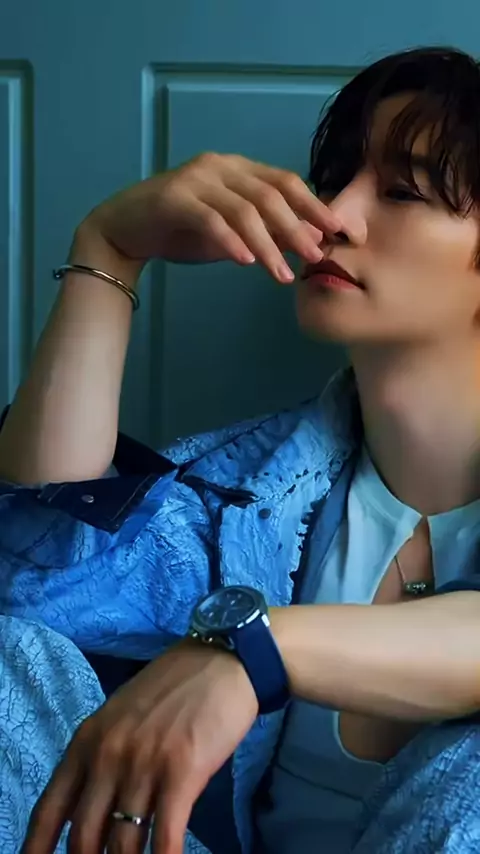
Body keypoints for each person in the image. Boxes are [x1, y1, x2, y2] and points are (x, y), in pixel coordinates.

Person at [1, 44, 480, 854]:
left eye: (403, 191)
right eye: (336, 179)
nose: (335, 216)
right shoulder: (248, 492)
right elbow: (34, 580)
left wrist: (253, 651)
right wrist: (109, 249)